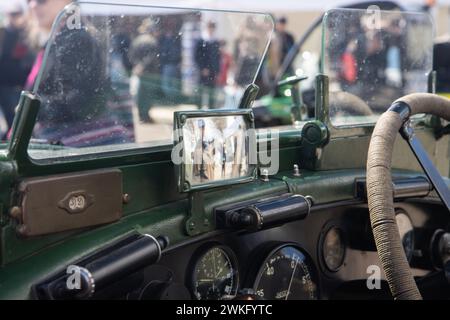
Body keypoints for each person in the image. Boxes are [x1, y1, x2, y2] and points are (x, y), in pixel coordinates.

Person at [0, 2, 34, 136]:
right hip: (5, 84)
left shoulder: (27, 33)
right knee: (11, 121)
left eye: (17, 14)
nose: (14, 17)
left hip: (22, 85)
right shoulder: (2, 32)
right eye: (11, 14)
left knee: (20, 122)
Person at [195, 21, 220, 109]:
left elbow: (217, 57)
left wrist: (217, 70)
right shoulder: (201, 40)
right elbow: (197, 56)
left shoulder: (215, 41)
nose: (211, 30)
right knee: (201, 90)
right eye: (210, 28)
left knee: (211, 90)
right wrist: (203, 68)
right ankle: (198, 108)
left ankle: (211, 108)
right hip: (203, 70)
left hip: (212, 70)